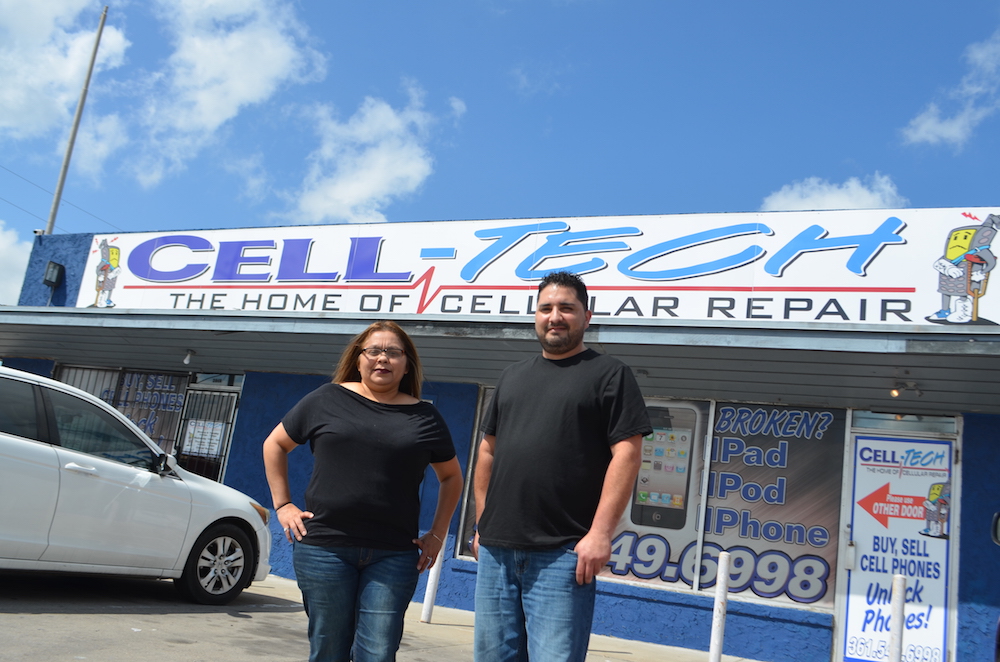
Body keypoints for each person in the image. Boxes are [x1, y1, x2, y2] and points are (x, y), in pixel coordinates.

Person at [472, 271, 652, 662]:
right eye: (546, 308)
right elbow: (487, 451)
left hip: (562, 553)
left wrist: (601, 534)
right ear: (535, 316)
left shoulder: (610, 375)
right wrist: (481, 523)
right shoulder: (511, 376)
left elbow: (628, 455)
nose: (555, 316)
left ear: (587, 317)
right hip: (496, 551)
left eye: (566, 308)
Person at [263, 320, 463, 662]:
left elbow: (452, 478)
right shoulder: (326, 398)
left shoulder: (424, 416)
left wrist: (439, 533)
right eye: (373, 350)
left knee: (379, 652)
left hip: (394, 555)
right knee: (329, 649)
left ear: (406, 364)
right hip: (326, 549)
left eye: (393, 352)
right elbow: (275, 445)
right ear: (358, 359)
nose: (382, 358)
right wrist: (283, 505)